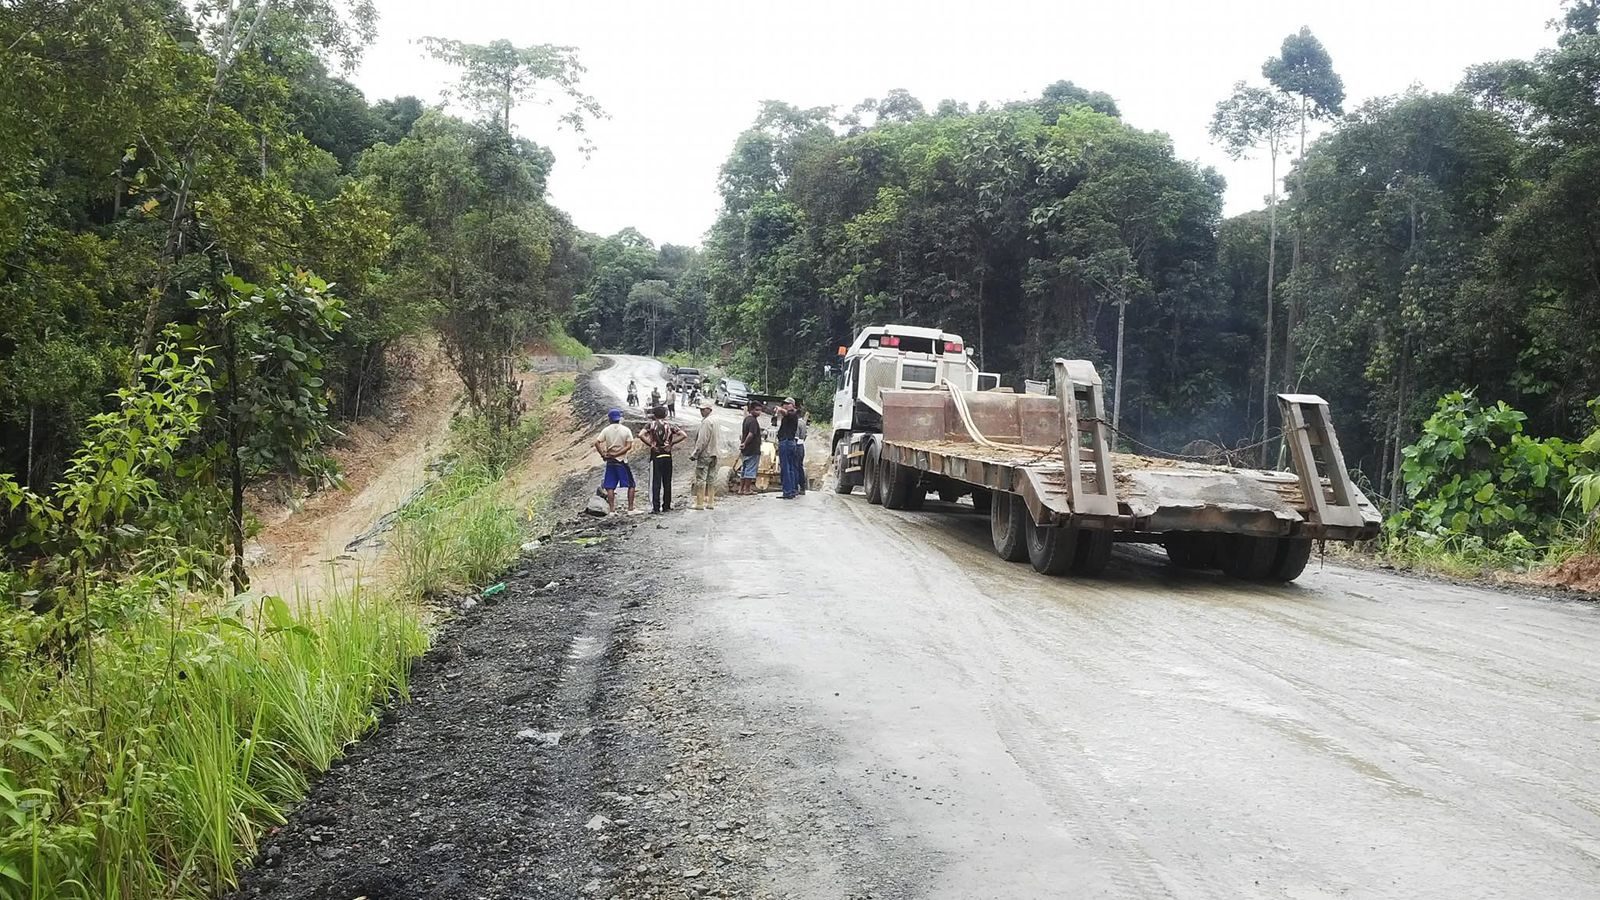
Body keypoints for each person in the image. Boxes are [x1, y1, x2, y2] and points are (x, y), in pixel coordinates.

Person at [640, 405, 687, 513]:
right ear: (665, 414)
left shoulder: (650, 425)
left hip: (656, 455)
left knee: (655, 482)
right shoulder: (670, 425)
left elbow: (641, 435)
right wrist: (671, 443)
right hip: (667, 455)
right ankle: (666, 505)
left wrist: (651, 445)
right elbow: (683, 435)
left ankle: (656, 507)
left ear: (654, 415)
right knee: (667, 482)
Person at [594, 408, 637, 514]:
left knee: (610, 486)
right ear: (619, 418)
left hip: (610, 461)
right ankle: (630, 508)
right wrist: (617, 454)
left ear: (609, 419)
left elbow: (597, 442)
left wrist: (603, 454)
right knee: (631, 485)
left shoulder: (606, 430)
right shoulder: (626, 430)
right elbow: (628, 446)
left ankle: (612, 510)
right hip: (621, 460)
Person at [690, 400, 720, 510]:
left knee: (700, 479)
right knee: (711, 478)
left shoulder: (707, 422)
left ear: (709, 409)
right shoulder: (716, 420)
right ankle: (711, 502)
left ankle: (699, 503)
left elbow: (702, 440)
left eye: (703, 410)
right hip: (715, 453)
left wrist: (695, 453)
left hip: (705, 453)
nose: (701, 412)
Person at [776, 397, 801, 500]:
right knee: (790, 468)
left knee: (786, 468)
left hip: (786, 442)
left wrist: (780, 409)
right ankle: (792, 490)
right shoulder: (791, 415)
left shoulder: (792, 414)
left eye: (787, 404)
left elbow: (786, 413)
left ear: (793, 405)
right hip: (789, 442)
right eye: (784, 404)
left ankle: (787, 492)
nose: (785, 406)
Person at [739, 402, 763, 495]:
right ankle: (747, 489)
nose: (759, 412)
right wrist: (745, 443)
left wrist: (743, 444)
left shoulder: (746, 419)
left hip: (745, 450)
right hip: (752, 449)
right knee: (750, 469)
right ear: (751, 410)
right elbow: (751, 434)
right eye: (757, 410)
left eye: (760, 410)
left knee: (744, 469)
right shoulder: (753, 421)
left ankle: (741, 489)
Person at [794, 400, 809, 495]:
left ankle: (795, 487)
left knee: (795, 467)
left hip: (796, 446)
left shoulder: (796, 423)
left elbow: (795, 437)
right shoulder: (803, 423)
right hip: (801, 446)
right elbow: (805, 435)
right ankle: (802, 487)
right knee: (800, 466)